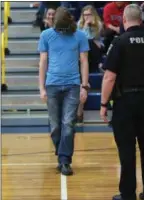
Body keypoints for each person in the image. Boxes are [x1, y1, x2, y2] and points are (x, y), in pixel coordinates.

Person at [100, 4, 144, 200]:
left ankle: (127, 194)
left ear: (124, 20)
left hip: (125, 102)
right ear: (141, 20)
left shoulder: (120, 42)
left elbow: (109, 77)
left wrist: (104, 104)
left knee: (127, 150)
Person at [38, 7, 89, 176]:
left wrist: (84, 85)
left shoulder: (80, 35)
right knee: (55, 126)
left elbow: (84, 61)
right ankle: (61, 152)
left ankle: (65, 160)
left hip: (72, 85)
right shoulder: (46, 35)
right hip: (52, 85)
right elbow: (43, 61)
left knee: (68, 123)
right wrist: (41, 87)